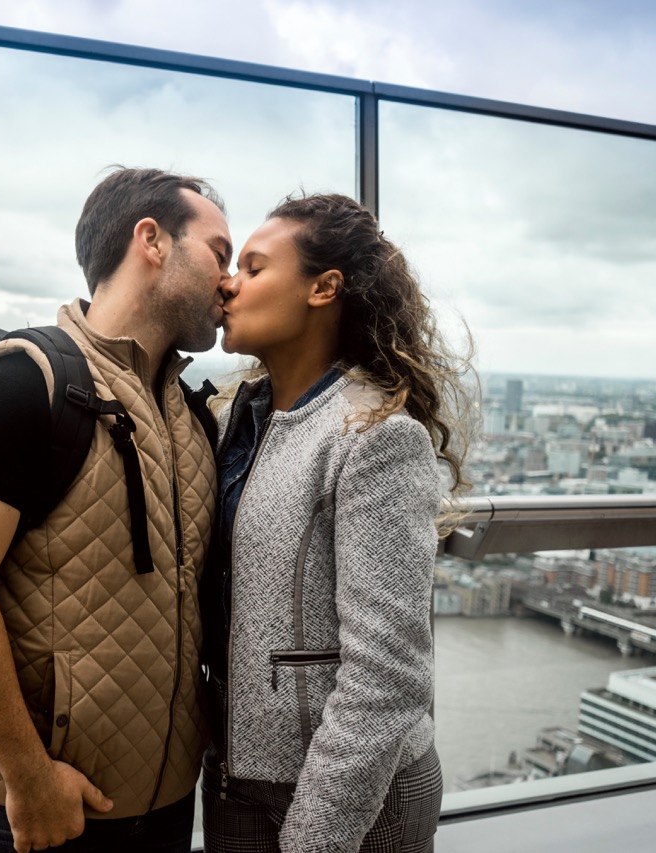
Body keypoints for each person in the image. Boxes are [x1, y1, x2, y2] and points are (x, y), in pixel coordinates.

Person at [0, 167, 233, 853]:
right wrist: (28, 774)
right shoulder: (22, 381)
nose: (229, 281)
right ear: (151, 240)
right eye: (219, 253)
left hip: (163, 810)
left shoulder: (189, 415)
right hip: (23, 810)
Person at [201, 192, 470, 853]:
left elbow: (388, 673)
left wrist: (319, 834)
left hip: (355, 797)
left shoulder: (374, 435)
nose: (228, 282)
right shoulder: (233, 419)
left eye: (255, 267)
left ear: (324, 288)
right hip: (236, 781)